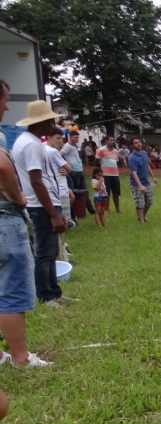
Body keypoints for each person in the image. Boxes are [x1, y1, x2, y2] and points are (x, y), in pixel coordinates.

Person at [0, 81, 50, 368]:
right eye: (5, 100)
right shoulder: (29, 143)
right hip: (7, 218)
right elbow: (5, 168)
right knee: (11, 289)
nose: (7, 106)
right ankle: (20, 357)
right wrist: (17, 196)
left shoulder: (22, 141)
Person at [12, 101, 68, 307]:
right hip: (41, 205)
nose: (53, 124)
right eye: (50, 120)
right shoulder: (32, 145)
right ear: (42, 121)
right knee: (45, 252)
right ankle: (46, 295)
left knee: (51, 250)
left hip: (44, 203)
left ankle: (54, 291)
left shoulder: (28, 141)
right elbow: (36, 181)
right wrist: (53, 214)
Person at [44, 129, 74, 259]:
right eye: (57, 138)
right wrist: (65, 169)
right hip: (59, 191)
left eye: (61, 138)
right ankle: (62, 251)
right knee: (63, 222)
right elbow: (69, 168)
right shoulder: (52, 151)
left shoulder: (41, 149)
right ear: (48, 137)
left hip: (52, 190)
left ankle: (60, 249)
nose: (60, 141)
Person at [62, 130, 94, 219]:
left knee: (84, 192)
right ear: (70, 137)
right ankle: (75, 212)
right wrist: (66, 164)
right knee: (75, 192)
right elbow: (60, 154)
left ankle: (91, 211)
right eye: (75, 137)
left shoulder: (75, 146)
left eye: (78, 137)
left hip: (79, 171)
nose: (77, 139)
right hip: (73, 172)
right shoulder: (67, 146)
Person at [128, 136, 157, 223]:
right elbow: (134, 173)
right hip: (137, 184)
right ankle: (141, 221)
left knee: (149, 201)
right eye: (136, 143)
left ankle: (142, 216)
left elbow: (147, 165)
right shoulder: (132, 158)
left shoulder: (144, 153)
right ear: (132, 145)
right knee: (140, 203)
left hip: (146, 182)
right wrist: (140, 185)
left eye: (139, 142)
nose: (138, 144)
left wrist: (153, 177)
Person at [95, 136, 122, 213]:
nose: (112, 141)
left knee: (116, 193)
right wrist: (100, 172)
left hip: (115, 175)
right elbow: (96, 161)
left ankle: (118, 209)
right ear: (106, 141)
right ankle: (106, 209)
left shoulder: (116, 152)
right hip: (105, 175)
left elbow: (116, 161)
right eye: (111, 140)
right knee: (106, 193)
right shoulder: (101, 150)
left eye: (113, 140)